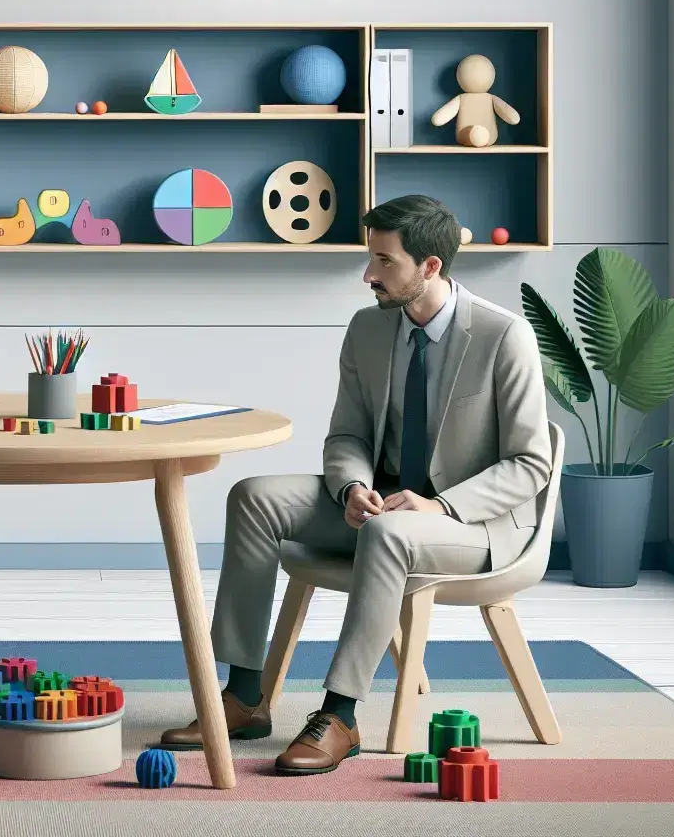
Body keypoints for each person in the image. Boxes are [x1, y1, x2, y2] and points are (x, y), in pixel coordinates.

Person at [157, 195, 552, 775]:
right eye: (370, 257)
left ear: (431, 267)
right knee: (254, 496)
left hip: (474, 527)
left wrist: (438, 505)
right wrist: (350, 489)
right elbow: (346, 435)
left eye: (384, 261)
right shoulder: (369, 327)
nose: (368, 274)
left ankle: (340, 715)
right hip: (382, 503)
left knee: (390, 534)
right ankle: (245, 695)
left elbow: (530, 465)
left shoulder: (502, 337)